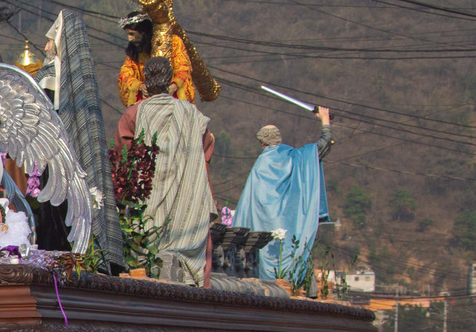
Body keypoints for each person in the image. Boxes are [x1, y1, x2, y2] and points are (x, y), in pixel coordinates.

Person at [116, 56, 214, 285]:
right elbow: (207, 145)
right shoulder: (191, 114)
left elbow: (121, 154)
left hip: (148, 198)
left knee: (146, 245)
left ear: (146, 82)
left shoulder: (134, 114)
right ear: (170, 80)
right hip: (187, 198)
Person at [233, 110, 333, 280]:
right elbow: (323, 146)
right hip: (292, 231)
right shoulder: (295, 158)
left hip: (262, 242)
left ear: (261, 142)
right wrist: (325, 121)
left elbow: (246, 208)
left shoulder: (260, 167)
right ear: (278, 138)